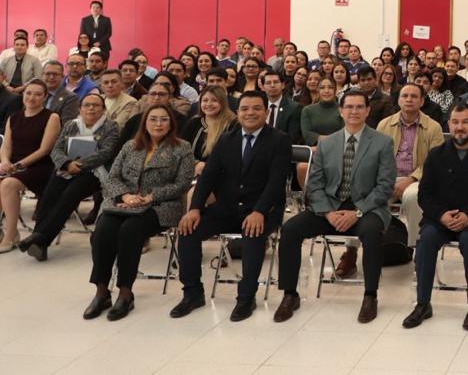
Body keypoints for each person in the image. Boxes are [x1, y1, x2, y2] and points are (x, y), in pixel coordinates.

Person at [273, 90, 396, 324]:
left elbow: (385, 186)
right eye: (349, 107)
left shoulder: (382, 142)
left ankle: (370, 295)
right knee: (290, 230)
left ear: (368, 111)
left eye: (359, 107)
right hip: (330, 206)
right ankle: (290, 294)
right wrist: (328, 213)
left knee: (372, 233)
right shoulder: (327, 143)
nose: (354, 111)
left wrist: (357, 212)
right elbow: (315, 184)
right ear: (341, 111)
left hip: (367, 208)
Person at [171, 91, 292, 321]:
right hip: (227, 208)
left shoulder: (279, 140)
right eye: (245, 108)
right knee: (188, 230)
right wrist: (194, 208)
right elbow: (208, 177)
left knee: (253, 234)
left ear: (266, 112)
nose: (250, 113)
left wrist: (259, 211)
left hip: (263, 210)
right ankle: (192, 293)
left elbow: (276, 182)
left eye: (256, 108)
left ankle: (246, 298)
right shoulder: (227, 139)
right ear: (238, 113)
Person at [83, 104, 195, 320]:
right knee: (103, 229)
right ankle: (102, 291)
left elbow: (182, 183)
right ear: (145, 123)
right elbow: (112, 178)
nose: (158, 124)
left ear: (171, 124)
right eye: (153, 119)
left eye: (164, 119)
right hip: (124, 203)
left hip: (161, 206)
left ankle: (126, 293)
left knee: (130, 230)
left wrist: (151, 197)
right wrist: (125, 196)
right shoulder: (130, 146)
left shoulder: (182, 148)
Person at [403, 101, 468, 331]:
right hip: (440, 218)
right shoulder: (436, 154)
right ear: (449, 125)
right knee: (426, 240)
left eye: (465, 122)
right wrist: (441, 215)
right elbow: (424, 195)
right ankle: (422, 304)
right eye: (455, 122)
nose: (460, 127)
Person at [19, 93, 123, 261]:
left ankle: (39, 238)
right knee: (49, 196)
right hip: (66, 169)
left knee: (69, 195)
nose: (91, 108)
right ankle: (39, 243)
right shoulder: (71, 125)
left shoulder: (111, 127)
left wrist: (79, 165)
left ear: (103, 109)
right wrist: (67, 164)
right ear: (80, 109)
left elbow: (106, 152)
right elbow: (57, 149)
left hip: (94, 172)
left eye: (96, 105)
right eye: (87, 105)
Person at [374, 82, 444, 251]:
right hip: (388, 178)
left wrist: (410, 179)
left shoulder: (433, 127)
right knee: (363, 194)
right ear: (398, 100)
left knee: (413, 197)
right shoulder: (384, 124)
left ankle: (418, 247)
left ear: (422, 101)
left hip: (418, 180)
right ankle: (355, 250)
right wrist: (386, 180)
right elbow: (375, 157)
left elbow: (435, 163)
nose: (409, 99)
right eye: (405, 96)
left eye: (414, 96)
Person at [0, 80, 62, 251]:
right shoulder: (14, 118)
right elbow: (6, 146)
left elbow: (44, 149)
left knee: (8, 184)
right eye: (28, 93)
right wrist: (5, 161)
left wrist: (17, 166)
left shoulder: (52, 117)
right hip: (14, 166)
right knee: (5, 181)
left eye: (37, 94)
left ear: (45, 97)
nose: (31, 97)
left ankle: (11, 235)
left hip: (40, 166)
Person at [261, 71, 302, 144]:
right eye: (268, 83)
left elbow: (292, 137)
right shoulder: (259, 106)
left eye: (276, 82)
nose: (272, 85)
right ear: (263, 87)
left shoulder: (294, 108)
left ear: (283, 85)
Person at [301, 75, 342, 146]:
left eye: (330, 87)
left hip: (339, 147)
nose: (326, 91)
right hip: (314, 149)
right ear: (318, 90)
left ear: (335, 90)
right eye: (322, 88)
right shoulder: (307, 110)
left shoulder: (343, 109)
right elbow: (307, 135)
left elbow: (345, 133)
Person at [42, 61, 81, 125]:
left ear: (62, 77)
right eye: (48, 74)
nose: (51, 77)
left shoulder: (70, 98)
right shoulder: (35, 94)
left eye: (55, 74)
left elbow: (67, 125)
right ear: (42, 75)